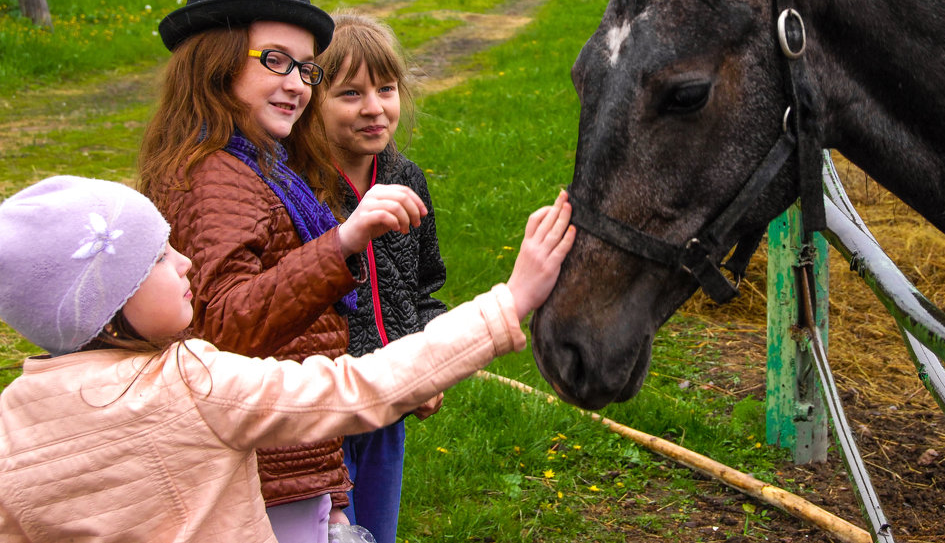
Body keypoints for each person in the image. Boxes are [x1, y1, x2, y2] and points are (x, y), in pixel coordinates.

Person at [0, 174, 574, 543]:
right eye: (156, 257)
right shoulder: (190, 382)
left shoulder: (11, 425)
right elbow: (364, 388)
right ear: (104, 304)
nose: (186, 264)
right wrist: (514, 298)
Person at [137, 0, 429, 542]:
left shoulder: (258, 167)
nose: (296, 83)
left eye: (305, 69)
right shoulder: (213, 178)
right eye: (274, 60)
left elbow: (300, 333)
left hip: (285, 450)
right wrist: (343, 241)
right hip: (258, 464)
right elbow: (225, 322)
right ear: (215, 62)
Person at [315, 14, 445, 540]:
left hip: (387, 410)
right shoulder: (302, 186)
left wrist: (427, 365)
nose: (374, 108)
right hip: (318, 414)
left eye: (386, 89)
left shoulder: (404, 176)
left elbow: (423, 289)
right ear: (309, 103)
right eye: (350, 93)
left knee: (377, 532)